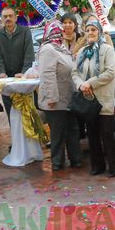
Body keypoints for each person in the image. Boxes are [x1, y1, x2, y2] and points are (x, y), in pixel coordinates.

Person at [72, 20, 115, 177]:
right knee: (92, 134)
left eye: (93, 30)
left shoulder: (107, 50)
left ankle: (112, 167)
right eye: (87, 30)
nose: (90, 32)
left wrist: (89, 83)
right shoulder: (82, 52)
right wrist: (80, 85)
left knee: (107, 134)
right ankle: (97, 166)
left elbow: (111, 72)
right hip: (88, 99)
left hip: (103, 99)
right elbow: (74, 73)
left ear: (99, 32)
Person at [38, 21, 82, 171]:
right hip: (55, 101)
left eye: (60, 31)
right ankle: (57, 163)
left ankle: (76, 160)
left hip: (68, 98)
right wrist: (51, 97)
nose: (59, 33)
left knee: (72, 130)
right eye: (56, 31)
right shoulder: (48, 49)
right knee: (58, 134)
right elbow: (47, 75)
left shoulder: (61, 47)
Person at [0, 7, 35, 123]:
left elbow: (29, 54)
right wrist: (1, 72)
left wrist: (24, 73)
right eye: (5, 16)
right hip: (7, 80)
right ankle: (15, 138)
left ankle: (28, 139)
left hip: (23, 79)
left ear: (16, 17)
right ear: (1, 19)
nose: (8, 19)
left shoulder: (25, 31)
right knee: (11, 113)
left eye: (10, 16)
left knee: (26, 112)